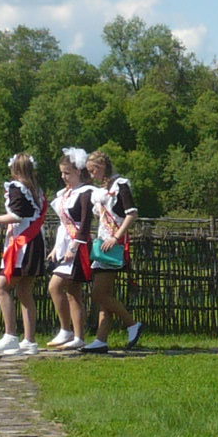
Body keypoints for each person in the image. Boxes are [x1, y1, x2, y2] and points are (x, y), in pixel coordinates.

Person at [0, 152, 45, 355]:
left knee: (0, 287)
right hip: (35, 241)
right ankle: (29, 341)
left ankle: (11, 336)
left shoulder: (16, 187)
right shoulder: (37, 190)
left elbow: (16, 216)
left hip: (23, 244)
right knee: (24, 291)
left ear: (15, 169)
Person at [84, 150, 144, 352]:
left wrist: (116, 237)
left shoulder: (121, 186)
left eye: (93, 171)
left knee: (99, 294)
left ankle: (131, 323)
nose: (92, 175)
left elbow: (132, 213)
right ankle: (101, 340)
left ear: (100, 168)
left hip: (113, 246)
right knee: (105, 295)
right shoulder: (104, 189)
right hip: (103, 245)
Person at [44, 148, 95, 349]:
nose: (63, 177)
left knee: (62, 288)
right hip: (65, 245)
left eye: (68, 173)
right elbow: (63, 224)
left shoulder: (85, 193)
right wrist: (57, 247)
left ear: (79, 172)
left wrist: (73, 247)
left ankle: (73, 334)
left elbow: (84, 224)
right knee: (69, 290)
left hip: (78, 246)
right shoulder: (65, 194)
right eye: (62, 173)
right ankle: (72, 334)